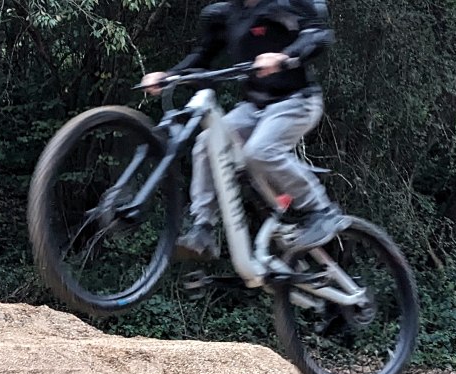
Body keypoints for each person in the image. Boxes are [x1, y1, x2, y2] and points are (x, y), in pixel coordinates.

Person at [141, 0, 343, 261]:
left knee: (259, 151)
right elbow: (203, 56)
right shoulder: (227, 14)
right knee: (206, 143)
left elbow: (317, 35)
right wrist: (168, 75)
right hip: (253, 107)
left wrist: (285, 56)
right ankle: (203, 228)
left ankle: (322, 210)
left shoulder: (285, 5)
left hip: (296, 101)